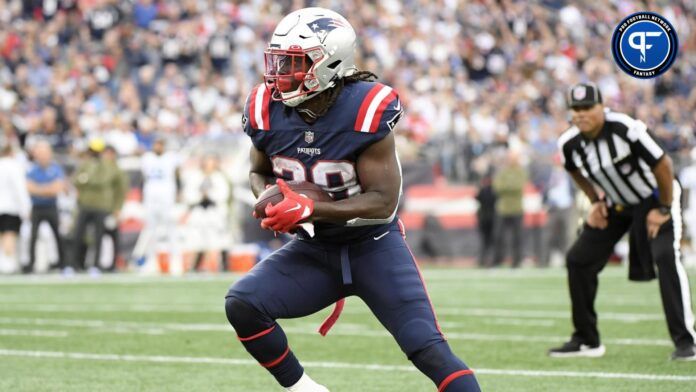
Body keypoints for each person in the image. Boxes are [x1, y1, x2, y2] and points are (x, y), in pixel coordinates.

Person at [224, 7, 480, 392]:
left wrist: (310, 207)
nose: (280, 73)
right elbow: (259, 171)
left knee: (427, 349)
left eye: (294, 62)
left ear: (330, 63)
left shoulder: (365, 108)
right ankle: (305, 390)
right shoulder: (265, 108)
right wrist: (270, 198)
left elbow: (383, 202)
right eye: (278, 60)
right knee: (243, 303)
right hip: (315, 250)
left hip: (374, 247)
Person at [549, 83, 696, 360]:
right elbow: (573, 170)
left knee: (666, 257)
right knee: (578, 259)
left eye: (587, 107)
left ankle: (686, 341)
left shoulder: (626, 129)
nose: (581, 114)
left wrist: (663, 208)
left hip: (654, 197)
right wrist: (594, 201)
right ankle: (586, 339)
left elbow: (663, 165)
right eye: (576, 109)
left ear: (601, 107)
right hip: (616, 204)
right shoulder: (569, 143)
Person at [71, 139, 127, 272]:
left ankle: (96, 265)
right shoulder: (85, 164)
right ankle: (75, 264)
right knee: (78, 235)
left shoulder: (110, 167)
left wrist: (117, 208)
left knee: (99, 237)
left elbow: (105, 182)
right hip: (85, 205)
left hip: (102, 206)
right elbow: (77, 181)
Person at [131, 138, 181, 273]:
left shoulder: (171, 158)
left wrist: (179, 192)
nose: (157, 147)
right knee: (150, 231)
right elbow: (143, 178)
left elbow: (177, 175)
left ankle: (175, 262)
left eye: (160, 144)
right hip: (151, 199)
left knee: (171, 230)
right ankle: (152, 262)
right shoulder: (147, 158)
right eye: (155, 144)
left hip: (167, 199)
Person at [26, 140, 66, 273]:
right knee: (33, 236)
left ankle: (63, 263)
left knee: (57, 235)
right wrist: (47, 189)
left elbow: (58, 188)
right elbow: (29, 187)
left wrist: (40, 189)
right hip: (36, 207)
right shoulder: (31, 169)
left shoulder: (55, 168)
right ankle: (31, 264)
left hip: (51, 206)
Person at [490, 148, 528, 268]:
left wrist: (507, 186)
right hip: (503, 208)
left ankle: (516, 261)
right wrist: (510, 186)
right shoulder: (502, 171)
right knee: (498, 236)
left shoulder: (521, 171)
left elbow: (519, 186)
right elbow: (497, 187)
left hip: (517, 208)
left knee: (517, 237)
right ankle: (497, 260)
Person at [0, 137, 30, 274]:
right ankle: (7, 264)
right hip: (10, 206)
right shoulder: (13, 166)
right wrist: (26, 207)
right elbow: (20, 188)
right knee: (9, 235)